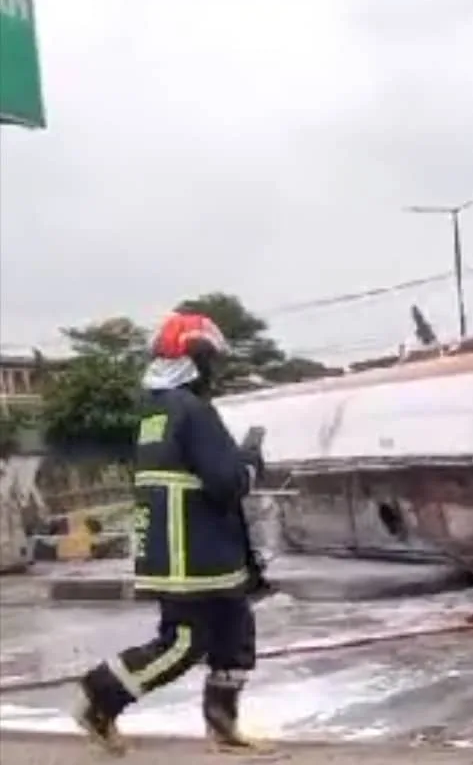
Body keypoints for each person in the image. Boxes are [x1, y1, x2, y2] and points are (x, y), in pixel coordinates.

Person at [74, 312, 269, 754]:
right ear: (199, 362)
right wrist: (252, 461)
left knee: (234, 633)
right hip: (196, 554)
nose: (215, 372)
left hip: (184, 550)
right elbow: (225, 482)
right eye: (212, 362)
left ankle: (223, 726)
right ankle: (99, 695)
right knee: (184, 642)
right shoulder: (194, 411)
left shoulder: (157, 411)